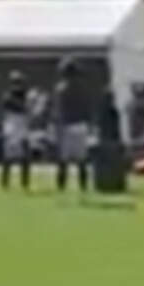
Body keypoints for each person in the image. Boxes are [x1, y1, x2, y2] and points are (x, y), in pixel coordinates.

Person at [53, 58, 92, 192]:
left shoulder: (60, 89)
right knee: (82, 160)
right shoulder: (83, 88)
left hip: (66, 125)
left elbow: (59, 111)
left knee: (63, 160)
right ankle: (83, 187)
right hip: (81, 125)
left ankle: (61, 187)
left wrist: (57, 127)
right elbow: (87, 107)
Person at [1, 71, 32, 190]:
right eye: (17, 82)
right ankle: (5, 183)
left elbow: (27, 109)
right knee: (8, 157)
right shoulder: (8, 96)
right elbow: (21, 107)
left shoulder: (25, 95)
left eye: (19, 82)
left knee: (25, 156)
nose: (18, 85)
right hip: (13, 125)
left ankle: (24, 183)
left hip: (21, 125)